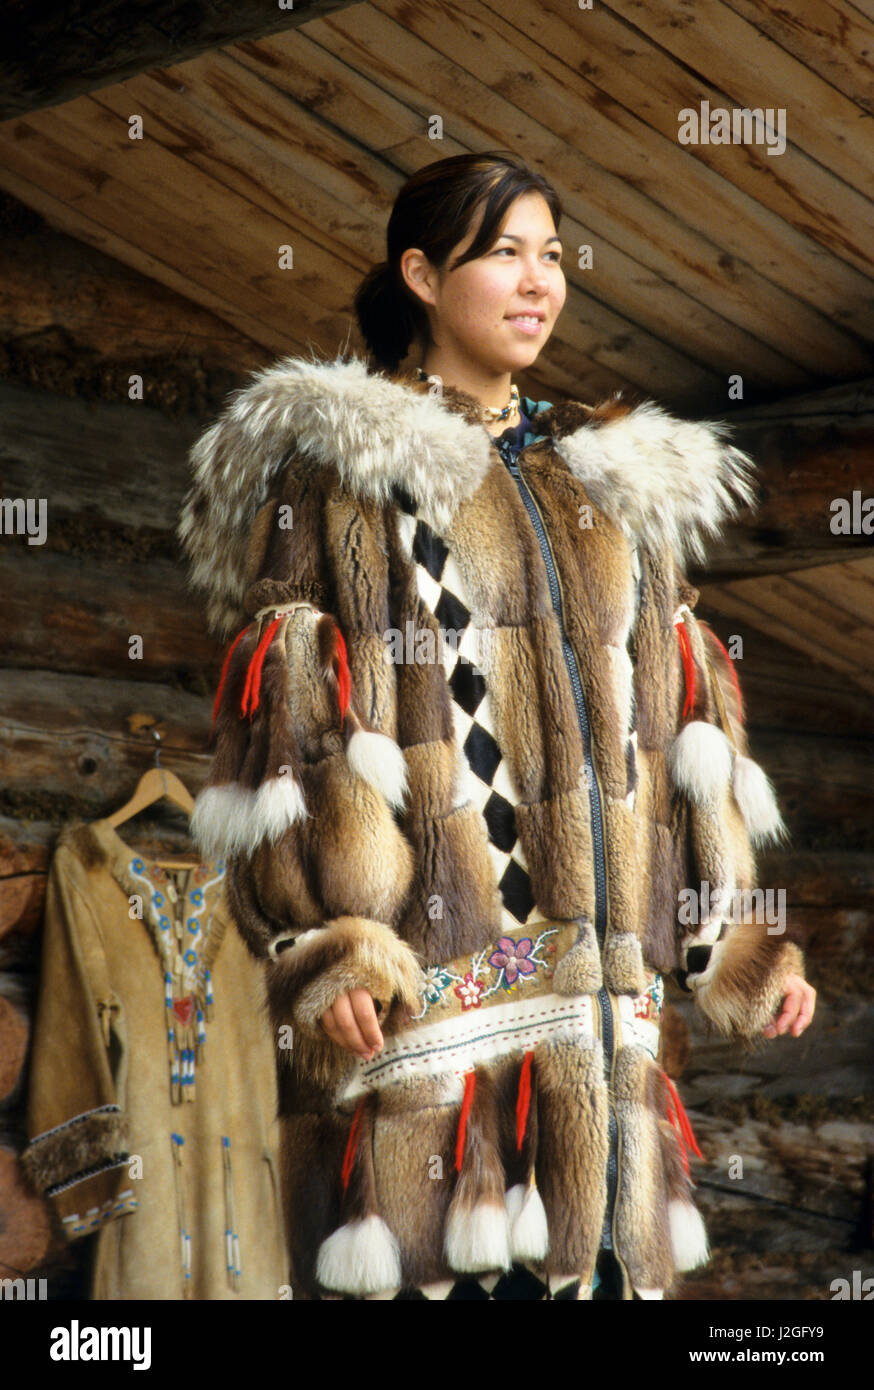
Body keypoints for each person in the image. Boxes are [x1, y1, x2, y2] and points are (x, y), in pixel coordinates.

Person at [177, 150, 815, 1300]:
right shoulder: (348, 473)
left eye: (553, 256)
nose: (539, 283)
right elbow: (296, 715)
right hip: (438, 1020)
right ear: (421, 274)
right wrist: (331, 943)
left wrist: (734, 939)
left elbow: (679, 728)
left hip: (607, 1024)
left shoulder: (606, 484)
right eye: (503, 253)